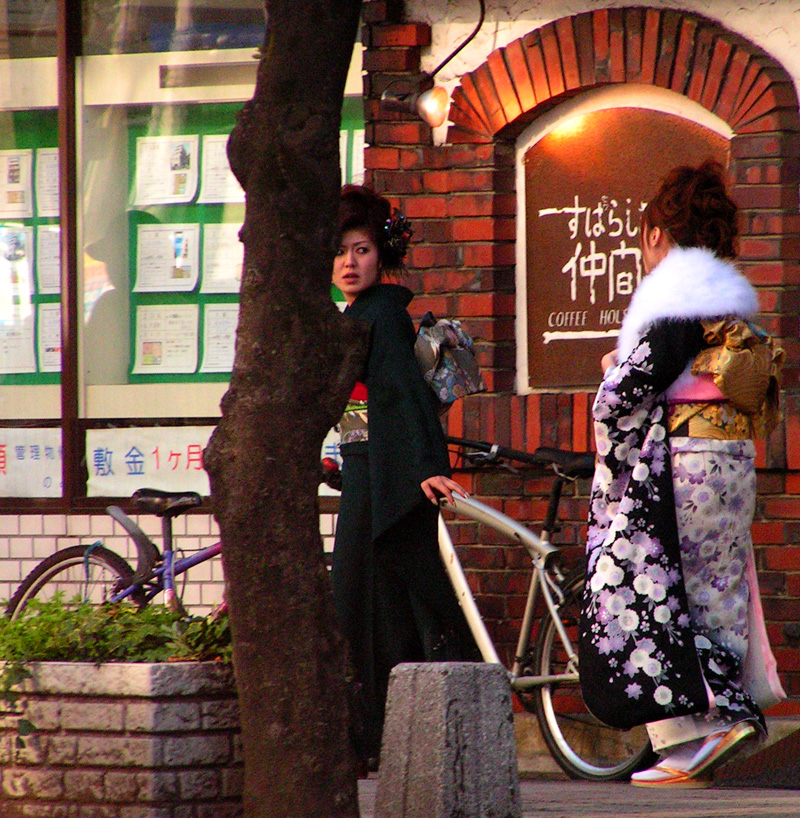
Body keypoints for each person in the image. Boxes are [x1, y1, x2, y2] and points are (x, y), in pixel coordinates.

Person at [579, 161, 785, 788]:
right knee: (712, 595)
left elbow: (628, 391)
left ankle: (702, 729)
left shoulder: (677, 292)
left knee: (655, 588)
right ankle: (715, 724)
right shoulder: (725, 293)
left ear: (657, 234)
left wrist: (613, 373)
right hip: (729, 460)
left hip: (685, 464)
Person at [330, 184, 477, 769]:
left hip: (386, 478)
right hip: (370, 472)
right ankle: (394, 737)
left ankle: (376, 737)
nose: (349, 262)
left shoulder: (383, 315)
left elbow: (399, 397)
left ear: (382, 254)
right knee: (386, 605)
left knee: (366, 604)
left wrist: (425, 467)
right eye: (340, 251)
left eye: (361, 249)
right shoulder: (366, 313)